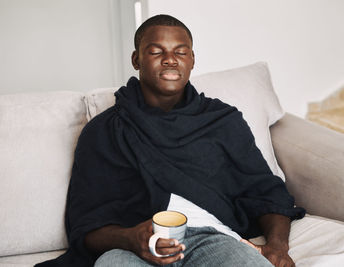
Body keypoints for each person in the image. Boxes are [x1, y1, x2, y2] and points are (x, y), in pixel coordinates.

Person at [36, 14, 305, 267]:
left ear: (192, 59)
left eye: (180, 51)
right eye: (156, 51)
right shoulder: (104, 131)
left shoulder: (221, 120)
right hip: (131, 248)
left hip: (213, 239)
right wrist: (130, 238)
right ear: (136, 59)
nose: (170, 59)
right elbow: (85, 223)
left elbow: (265, 191)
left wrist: (278, 246)